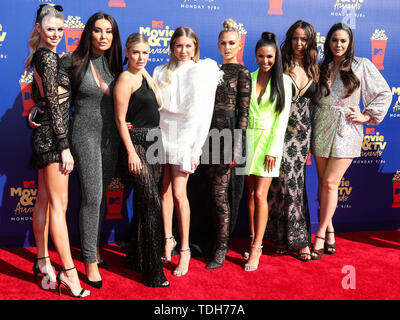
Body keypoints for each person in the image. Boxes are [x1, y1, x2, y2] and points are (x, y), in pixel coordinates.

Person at [310, 22, 391, 260]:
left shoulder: (361, 65)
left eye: (343, 40)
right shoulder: (320, 67)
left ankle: (321, 234)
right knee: (324, 183)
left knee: (331, 184)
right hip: (321, 126)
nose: (338, 44)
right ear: (329, 42)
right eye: (334, 40)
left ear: (350, 43)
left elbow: (384, 92)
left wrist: (366, 115)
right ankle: (332, 230)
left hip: (347, 128)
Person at [25, 3, 89, 298]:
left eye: (60, 29)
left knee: (43, 202)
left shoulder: (46, 57)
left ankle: (41, 261)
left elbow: (46, 100)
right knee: (59, 208)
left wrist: (38, 112)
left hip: (47, 135)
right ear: (39, 28)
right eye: (50, 29)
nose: (56, 34)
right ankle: (69, 273)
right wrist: (65, 148)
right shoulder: (48, 59)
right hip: (54, 139)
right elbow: (54, 102)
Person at [152, 26, 222, 276]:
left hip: (186, 138)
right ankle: (168, 239)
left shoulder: (202, 71)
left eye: (188, 46)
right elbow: (154, 108)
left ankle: (185, 250)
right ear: (172, 47)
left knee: (180, 194)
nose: (183, 50)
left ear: (195, 48)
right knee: (164, 192)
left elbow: (204, 115)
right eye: (179, 45)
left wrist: (195, 148)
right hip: (163, 136)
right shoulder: (160, 71)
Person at [59, 12, 123, 286]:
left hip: (110, 138)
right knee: (93, 197)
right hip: (83, 134)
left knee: (100, 196)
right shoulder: (71, 62)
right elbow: (57, 102)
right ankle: (89, 261)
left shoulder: (115, 65)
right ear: (88, 33)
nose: (103, 36)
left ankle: (95, 247)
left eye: (108, 31)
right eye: (98, 30)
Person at [113, 33, 169, 287]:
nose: (140, 57)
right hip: (137, 145)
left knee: (145, 204)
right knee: (153, 205)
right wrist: (132, 152)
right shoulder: (125, 79)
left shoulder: (146, 76)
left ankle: (134, 257)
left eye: (145, 52)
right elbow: (119, 119)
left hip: (155, 143)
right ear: (127, 52)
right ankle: (153, 272)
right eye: (136, 52)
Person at [266, 20, 319, 262]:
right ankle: (281, 238)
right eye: (295, 38)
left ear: (310, 42)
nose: (299, 43)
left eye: (304, 39)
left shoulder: (315, 68)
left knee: (295, 183)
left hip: (302, 133)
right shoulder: (281, 64)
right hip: (281, 130)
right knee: (280, 184)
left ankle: (298, 239)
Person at [200, 18, 251, 269]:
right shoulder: (213, 70)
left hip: (229, 139)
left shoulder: (242, 73)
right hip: (207, 137)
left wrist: (238, 147)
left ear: (239, 44)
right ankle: (208, 242)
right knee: (206, 193)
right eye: (223, 43)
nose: (228, 47)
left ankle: (221, 248)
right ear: (218, 45)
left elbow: (244, 114)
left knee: (221, 195)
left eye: (232, 43)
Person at [244, 32, 292, 271]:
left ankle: (257, 248)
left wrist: (273, 150)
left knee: (261, 194)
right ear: (255, 55)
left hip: (268, 143)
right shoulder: (248, 78)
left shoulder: (284, 81)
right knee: (250, 194)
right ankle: (253, 236)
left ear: (276, 56)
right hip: (247, 140)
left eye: (270, 57)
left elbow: (281, 121)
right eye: (261, 56)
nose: (265, 61)